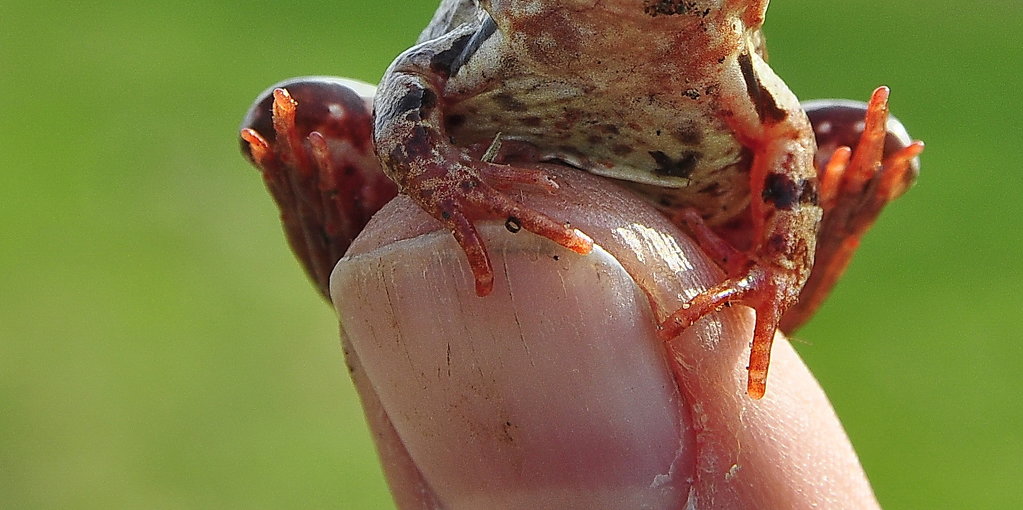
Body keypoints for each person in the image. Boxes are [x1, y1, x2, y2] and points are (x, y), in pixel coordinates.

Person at [332, 165, 880, 510]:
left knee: (845, 141)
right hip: (478, 150)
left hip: (705, 203)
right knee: (308, 114)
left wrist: (781, 266)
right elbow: (408, 87)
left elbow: (789, 139)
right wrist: (437, 176)